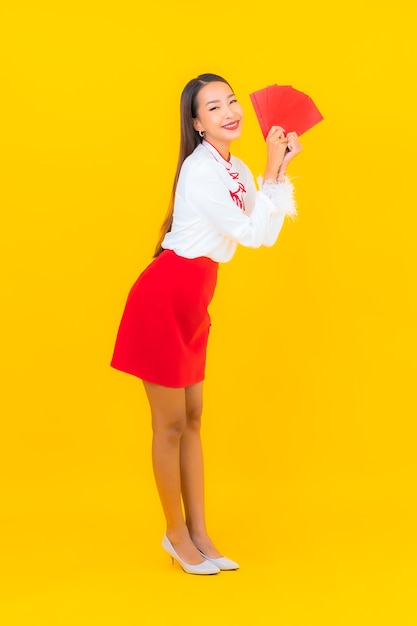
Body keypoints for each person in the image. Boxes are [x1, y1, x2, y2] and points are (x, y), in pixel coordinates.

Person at [110, 73, 302, 575]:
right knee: (169, 424)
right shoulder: (200, 171)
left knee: (194, 418)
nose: (230, 112)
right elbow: (255, 235)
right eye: (213, 108)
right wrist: (271, 173)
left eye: (232, 101)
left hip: (195, 297)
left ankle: (200, 534)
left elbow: (263, 226)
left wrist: (275, 168)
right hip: (164, 298)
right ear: (196, 123)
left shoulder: (234, 166)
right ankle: (175, 536)